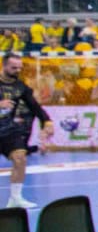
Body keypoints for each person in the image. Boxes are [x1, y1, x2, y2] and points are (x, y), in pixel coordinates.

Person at [0, 52, 54, 208]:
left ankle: (15, 198)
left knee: (20, 158)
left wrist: (47, 121)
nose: (17, 70)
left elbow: (35, 106)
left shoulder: (20, 87)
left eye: (19, 68)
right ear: (4, 66)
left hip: (7, 128)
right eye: (13, 68)